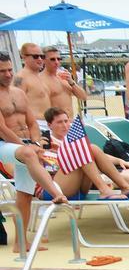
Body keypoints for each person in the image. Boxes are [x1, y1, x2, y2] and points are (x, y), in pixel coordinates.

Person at [0, 52, 69, 252]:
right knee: (30, 155)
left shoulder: (18, 93)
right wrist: (28, 147)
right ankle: (56, 193)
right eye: (2, 71)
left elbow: (31, 122)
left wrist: (36, 141)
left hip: (24, 144)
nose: (7, 74)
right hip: (5, 144)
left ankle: (20, 242)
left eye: (9, 69)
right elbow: (3, 129)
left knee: (25, 194)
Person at [40, 47, 86, 118]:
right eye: (52, 59)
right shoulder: (41, 80)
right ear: (43, 60)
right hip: (55, 123)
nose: (56, 62)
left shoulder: (64, 76)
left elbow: (83, 97)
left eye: (59, 59)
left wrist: (72, 82)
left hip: (70, 120)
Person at [14, 43, 48, 127]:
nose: (40, 59)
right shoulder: (20, 78)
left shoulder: (39, 77)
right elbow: (16, 106)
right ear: (24, 57)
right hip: (36, 124)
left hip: (48, 123)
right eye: (35, 56)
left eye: (42, 56)